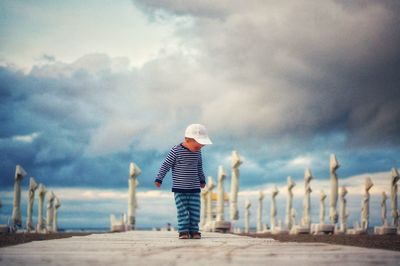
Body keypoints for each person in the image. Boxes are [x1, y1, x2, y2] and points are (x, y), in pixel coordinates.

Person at [154, 124, 212, 239]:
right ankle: (183, 231)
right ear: (187, 140)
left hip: (195, 188)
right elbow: (166, 165)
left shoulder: (198, 152)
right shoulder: (176, 151)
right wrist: (159, 178)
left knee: (195, 212)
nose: (199, 148)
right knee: (183, 212)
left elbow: (199, 166)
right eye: (197, 146)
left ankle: (194, 230)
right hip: (180, 189)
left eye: (201, 146)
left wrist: (202, 179)